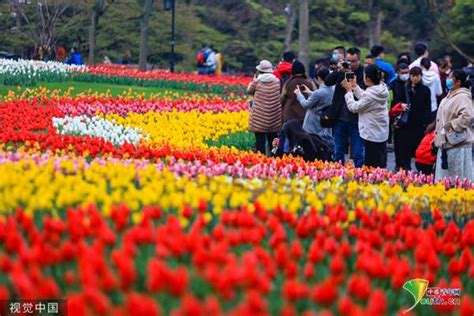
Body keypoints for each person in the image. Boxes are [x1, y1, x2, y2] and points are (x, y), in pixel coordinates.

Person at [324, 47, 365, 167]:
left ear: (359, 60)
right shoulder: (341, 70)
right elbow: (327, 82)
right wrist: (338, 70)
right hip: (339, 117)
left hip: (356, 118)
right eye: (348, 60)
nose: (350, 64)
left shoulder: (363, 72)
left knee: (358, 153)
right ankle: (337, 175)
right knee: (338, 152)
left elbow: (364, 93)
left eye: (353, 61)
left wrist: (352, 84)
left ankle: (359, 176)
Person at [343, 64, 389, 168]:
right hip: (380, 133)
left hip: (372, 134)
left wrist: (349, 92)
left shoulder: (371, 94)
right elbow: (365, 98)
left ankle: (373, 182)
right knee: (380, 163)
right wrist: (355, 86)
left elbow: (354, 107)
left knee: (371, 166)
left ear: (367, 78)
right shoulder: (381, 89)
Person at [434, 69, 473, 182]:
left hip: (458, 144)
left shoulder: (463, 96)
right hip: (446, 143)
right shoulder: (450, 95)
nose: (448, 80)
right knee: (446, 179)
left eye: (450, 78)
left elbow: (466, 117)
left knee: (457, 179)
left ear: (458, 82)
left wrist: (450, 127)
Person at [391, 67, 432, 171]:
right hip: (405, 124)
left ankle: (419, 170)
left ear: (420, 76)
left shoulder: (425, 90)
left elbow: (427, 108)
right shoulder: (404, 88)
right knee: (405, 148)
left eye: (417, 75)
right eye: (413, 75)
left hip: (418, 124)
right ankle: (406, 168)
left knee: (418, 148)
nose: (415, 78)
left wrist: (426, 123)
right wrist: (401, 105)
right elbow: (395, 102)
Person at [294, 67, 335, 149]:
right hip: (324, 123)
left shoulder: (319, 93)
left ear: (319, 78)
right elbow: (322, 96)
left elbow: (305, 104)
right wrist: (310, 92)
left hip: (313, 125)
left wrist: (299, 95)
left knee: (312, 147)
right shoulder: (332, 89)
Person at [247, 60, 282, 155]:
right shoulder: (277, 81)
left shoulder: (257, 81)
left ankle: (260, 158)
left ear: (260, 71)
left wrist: (254, 79)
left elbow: (249, 91)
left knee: (260, 141)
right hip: (273, 116)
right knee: (274, 140)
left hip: (259, 116)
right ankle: (275, 156)